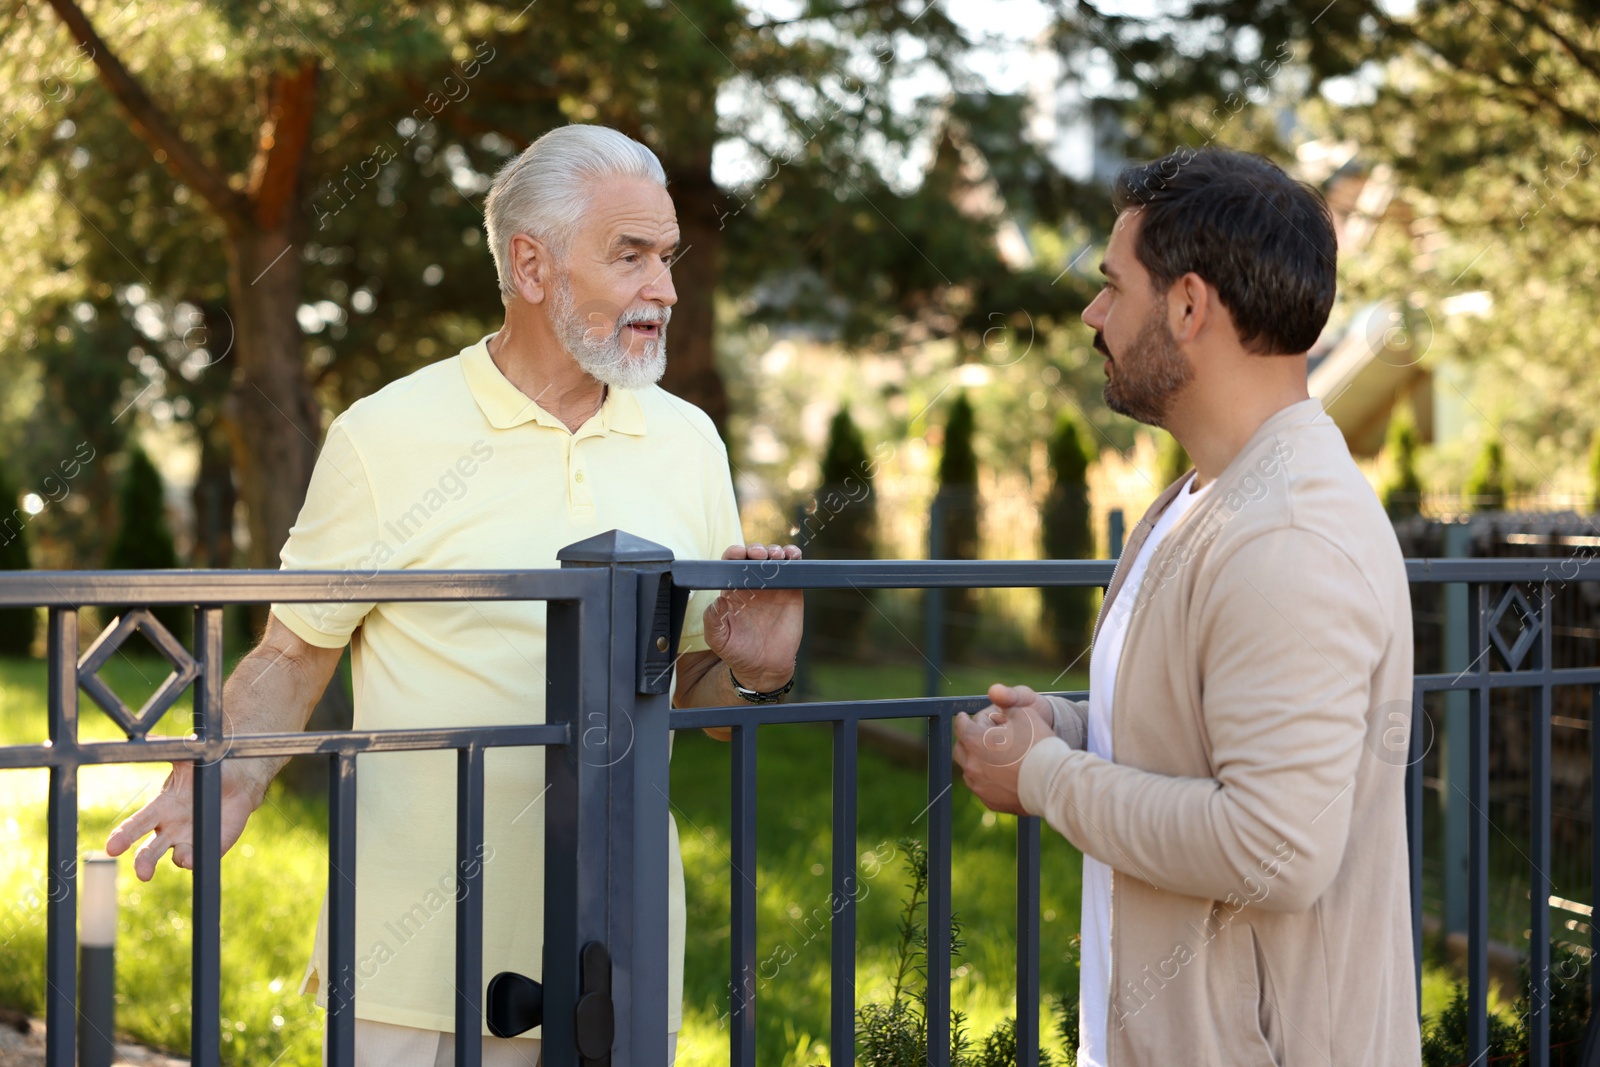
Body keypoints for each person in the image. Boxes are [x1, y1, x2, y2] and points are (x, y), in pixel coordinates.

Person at [105, 124, 804, 1067]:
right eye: (631, 256)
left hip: (618, 957)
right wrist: (231, 772)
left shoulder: (691, 443)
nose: (666, 289)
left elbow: (687, 692)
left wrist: (754, 674)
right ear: (532, 265)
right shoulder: (386, 434)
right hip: (414, 963)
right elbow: (295, 649)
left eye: (668, 257)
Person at [953, 147, 1420, 1065]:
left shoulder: (1289, 534)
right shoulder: (1204, 500)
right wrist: (1071, 727)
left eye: (1111, 286)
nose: (1092, 314)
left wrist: (1046, 779)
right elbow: (1199, 740)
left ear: (1188, 305)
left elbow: (1274, 847)